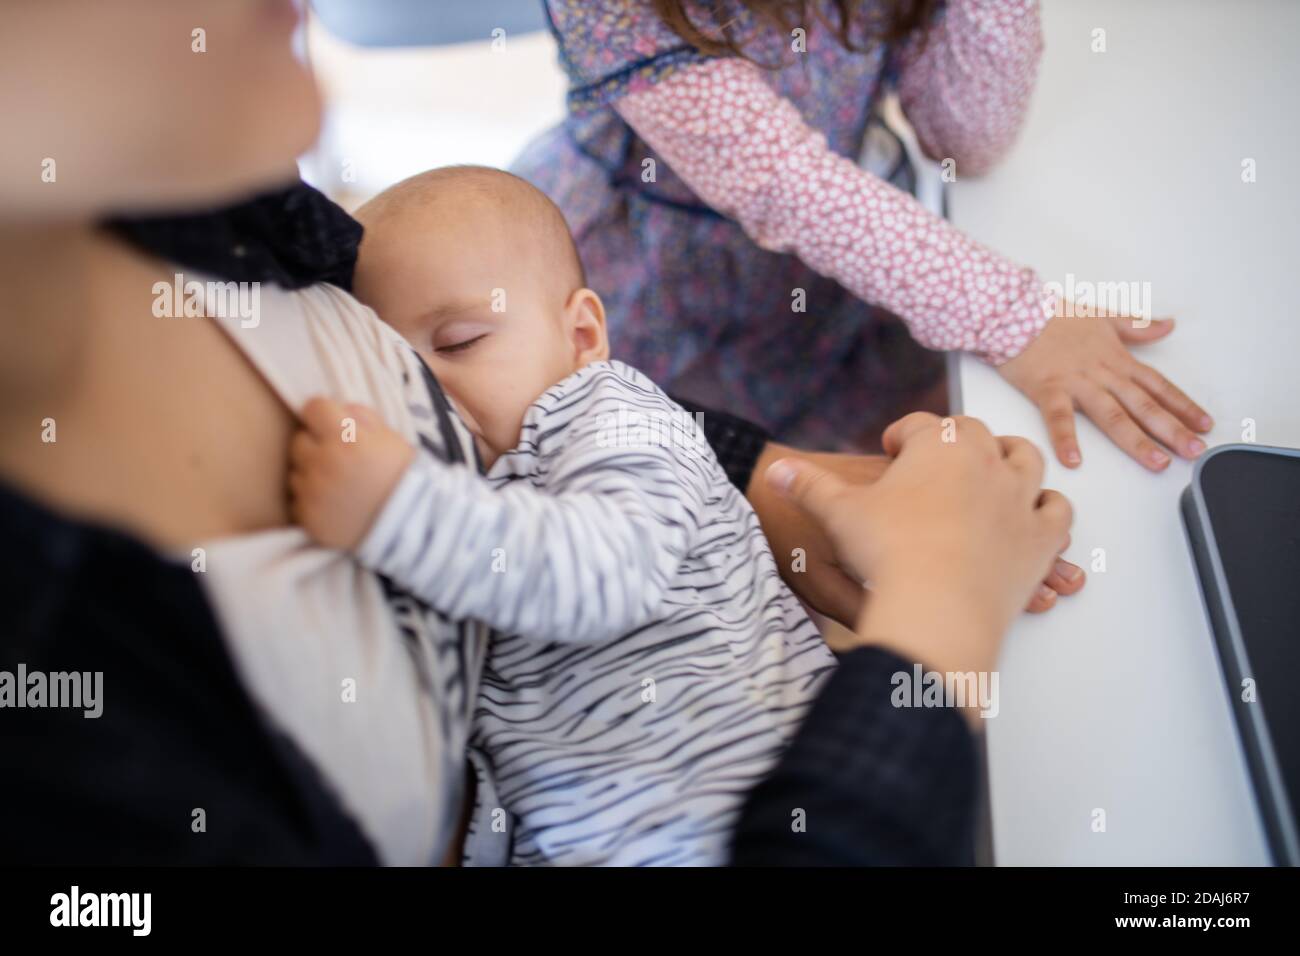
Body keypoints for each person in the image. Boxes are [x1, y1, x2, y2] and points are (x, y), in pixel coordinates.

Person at [0, 0, 1076, 866]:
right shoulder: (70, 731)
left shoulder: (211, 196)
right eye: (420, 357)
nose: (434, 395)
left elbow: (569, 422)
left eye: (458, 340)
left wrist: (757, 490)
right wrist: (938, 616)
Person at [289, 165, 839, 865]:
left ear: (581, 335)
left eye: (459, 343)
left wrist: (396, 509)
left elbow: (608, 574)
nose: (432, 391)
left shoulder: (613, 416)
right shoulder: (478, 503)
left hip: (746, 816)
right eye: (398, 374)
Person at [517, 0, 1214, 469]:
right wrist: (1019, 320)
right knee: (693, 482)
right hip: (656, 273)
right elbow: (781, 181)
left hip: (844, 265)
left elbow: (966, 143)